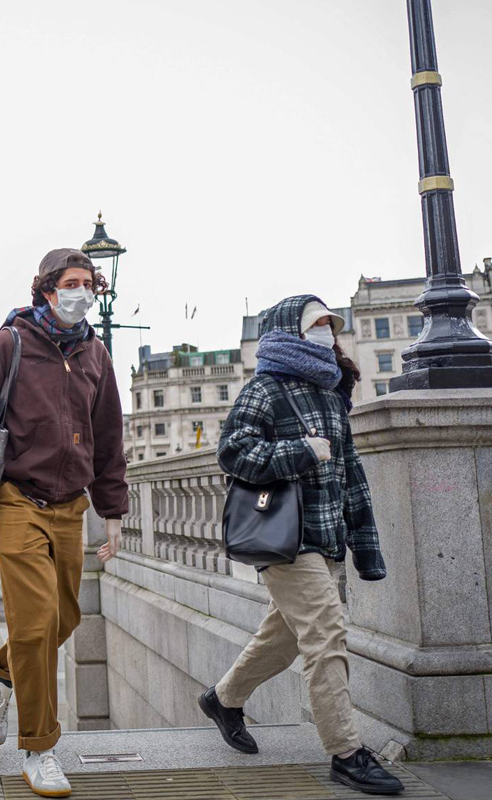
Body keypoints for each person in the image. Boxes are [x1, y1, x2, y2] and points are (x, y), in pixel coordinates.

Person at [0, 248, 127, 798]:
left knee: (64, 618)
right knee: (34, 622)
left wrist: (113, 511)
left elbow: (109, 439)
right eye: (71, 283)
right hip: (18, 503)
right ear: (47, 289)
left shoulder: (96, 353)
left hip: (71, 507)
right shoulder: (8, 344)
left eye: (89, 284)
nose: (82, 292)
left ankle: (0, 672)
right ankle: (41, 749)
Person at [200, 295, 402, 796]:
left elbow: (351, 473)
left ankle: (224, 700)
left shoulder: (332, 391)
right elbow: (234, 452)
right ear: (291, 329)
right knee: (327, 634)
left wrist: (366, 547)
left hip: (325, 536)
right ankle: (346, 753)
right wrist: (300, 451)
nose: (327, 331)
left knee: (285, 637)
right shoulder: (265, 389)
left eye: (330, 324)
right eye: (317, 323)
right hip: (285, 539)